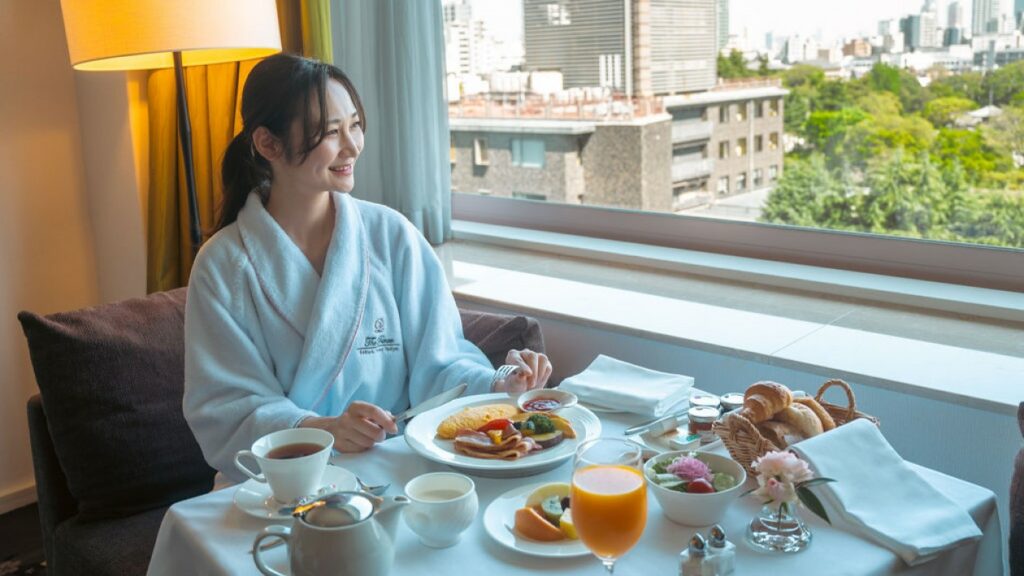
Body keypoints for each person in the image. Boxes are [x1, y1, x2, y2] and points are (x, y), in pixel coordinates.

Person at [183, 53, 551, 480]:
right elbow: (227, 407)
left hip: (394, 471)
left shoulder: (392, 237)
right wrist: (322, 430)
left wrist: (502, 384)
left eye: (355, 125)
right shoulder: (223, 266)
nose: (353, 145)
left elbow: (441, 364)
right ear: (268, 144)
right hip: (281, 484)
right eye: (330, 132)